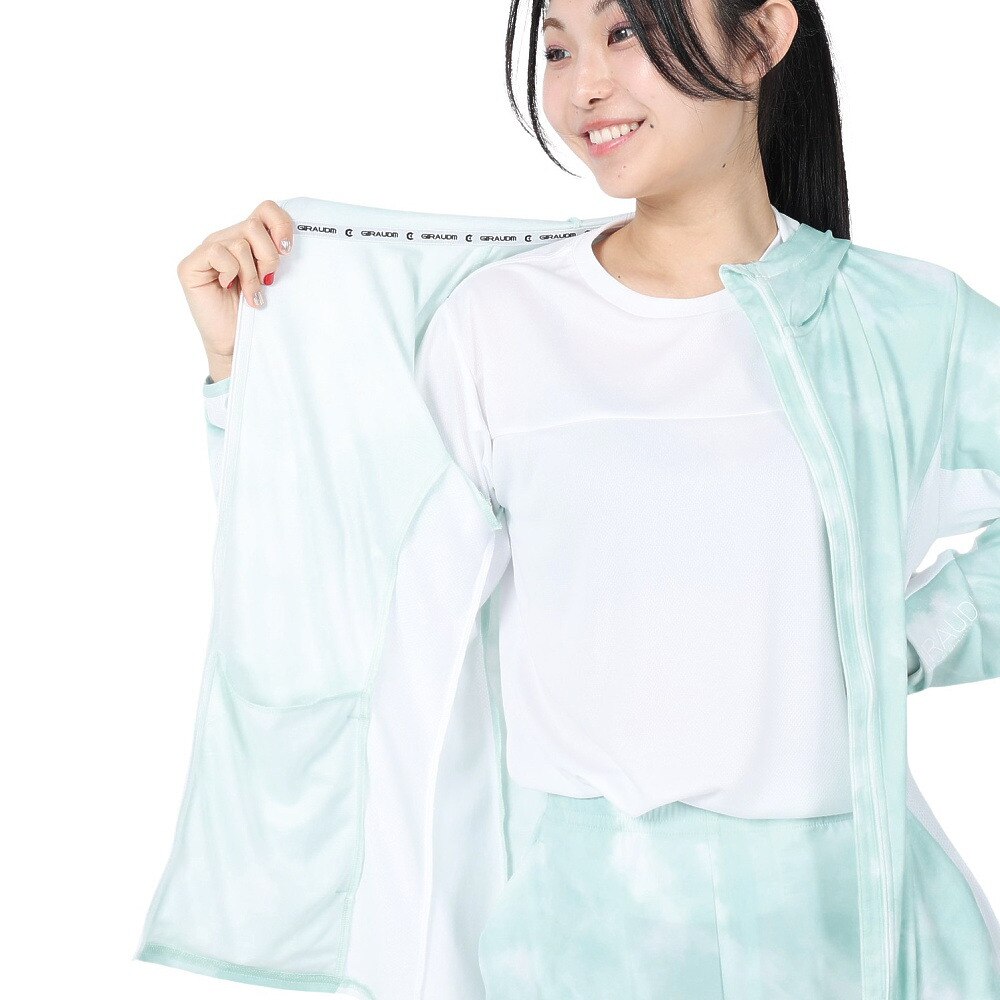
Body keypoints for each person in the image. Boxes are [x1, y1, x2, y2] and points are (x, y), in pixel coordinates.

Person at [171, 1, 1000, 997]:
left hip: (862, 939)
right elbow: (356, 590)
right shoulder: (499, 326)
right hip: (585, 944)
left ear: (762, 37)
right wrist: (244, 369)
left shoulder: (903, 320)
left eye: (626, 33)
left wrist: (907, 642)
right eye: (558, 47)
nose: (583, 87)